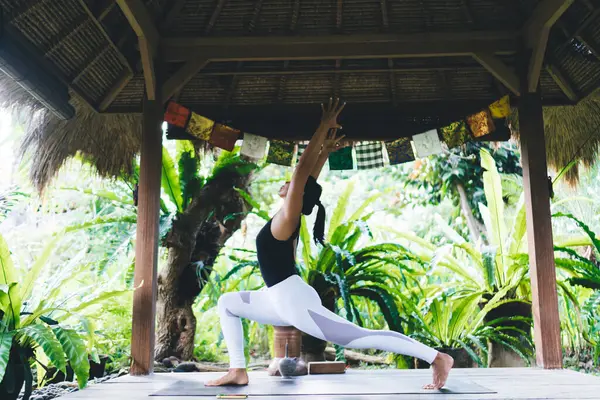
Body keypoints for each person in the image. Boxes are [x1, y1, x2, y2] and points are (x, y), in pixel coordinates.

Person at [206, 99, 454, 389]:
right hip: (276, 297)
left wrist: (323, 127)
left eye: (291, 185)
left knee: (359, 336)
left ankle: (436, 357)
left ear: (295, 195)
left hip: (293, 300)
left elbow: (301, 176)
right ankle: (238, 370)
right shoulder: (287, 214)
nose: (287, 182)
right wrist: (325, 151)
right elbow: (307, 178)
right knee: (228, 303)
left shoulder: (288, 217)